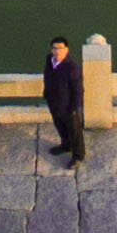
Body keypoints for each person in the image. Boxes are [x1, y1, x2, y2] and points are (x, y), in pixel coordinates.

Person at [42, 37, 86, 168]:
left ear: (66, 50)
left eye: (60, 48)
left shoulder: (72, 68)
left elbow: (78, 91)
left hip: (68, 106)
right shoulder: (49, 60)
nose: (57, 52)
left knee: (75, 132)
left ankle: (78, 155)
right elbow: (47, 76)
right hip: (53, 101)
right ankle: (66, 145)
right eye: (54, 48)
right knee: (60, 126)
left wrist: (73, 109)